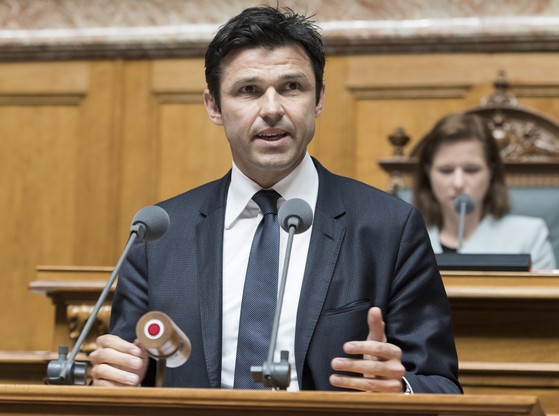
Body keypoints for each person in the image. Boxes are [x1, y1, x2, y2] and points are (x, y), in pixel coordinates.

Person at [89, 5, 461, 394]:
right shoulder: (158, 234)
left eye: (291, 87)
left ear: (318, 100)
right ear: (214, 106)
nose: (271, 110)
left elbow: (441, 384)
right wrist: (115, 376)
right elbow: (129, 372)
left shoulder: (389, 227)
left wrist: (399, 388)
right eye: (248, 90)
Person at [413, 112, 556, 270]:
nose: (458, 183)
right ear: (428, 173)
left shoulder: (529, 236)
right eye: (446, 170)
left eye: (471, 170)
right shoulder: (407, 240)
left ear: (491, 172)